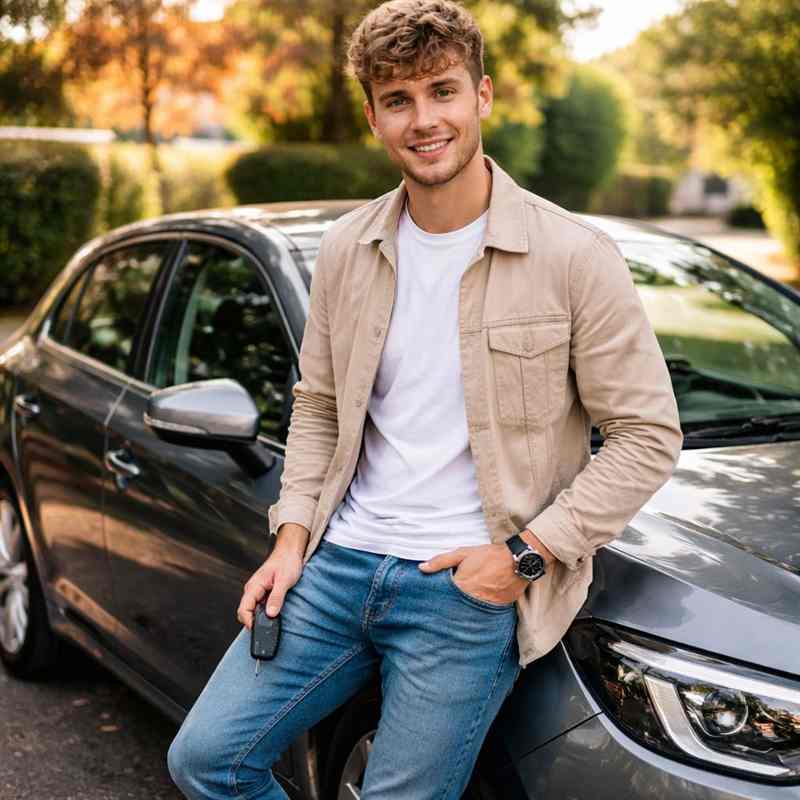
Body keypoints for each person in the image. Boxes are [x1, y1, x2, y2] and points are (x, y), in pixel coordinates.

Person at [167, 1, 683, 797]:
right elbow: (320, 406)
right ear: (374, 117)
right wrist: (290, 541)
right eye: (398, 100)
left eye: (443, 91)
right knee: (206, 759)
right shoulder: (349, 249)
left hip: (464, 592)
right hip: (337, 566)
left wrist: (522, 558)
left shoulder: (573, 255)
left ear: (483, 95)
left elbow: (647, 435)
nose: (424, 120)